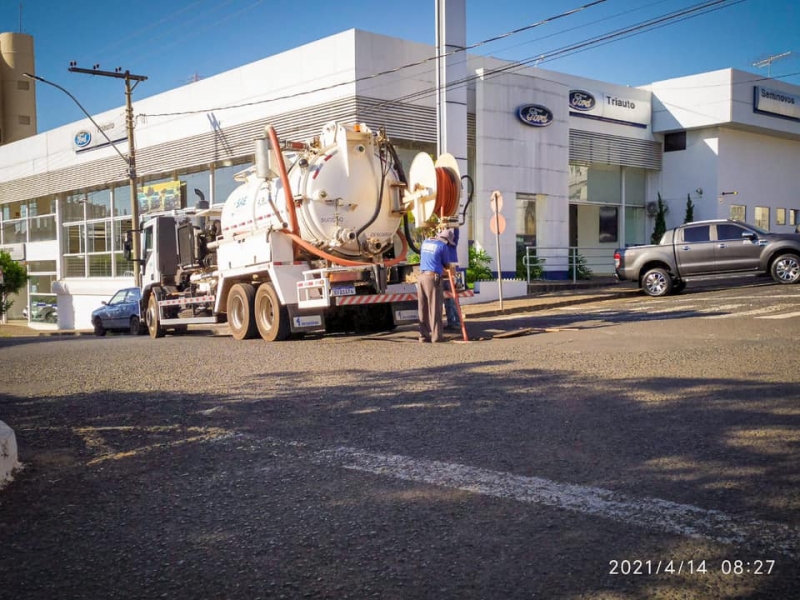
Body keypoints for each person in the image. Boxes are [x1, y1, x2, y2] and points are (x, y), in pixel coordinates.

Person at [416, 228, 452, 343]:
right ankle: (437, 337)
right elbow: (447, 266)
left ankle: (423, 336)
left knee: (423, 308)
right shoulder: (443, 246)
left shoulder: (426, 242)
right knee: (435, 308)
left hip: (421, 277)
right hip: (432, 279)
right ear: (446, 240)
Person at [443, 227, 461, 331]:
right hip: (447, 274)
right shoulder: (449, 246)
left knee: (452, 300)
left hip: (452, 275)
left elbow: (457, 235)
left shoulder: (451, 245)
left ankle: (456, 322)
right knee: (448, 300)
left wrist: (455, 226)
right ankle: (452, 322)